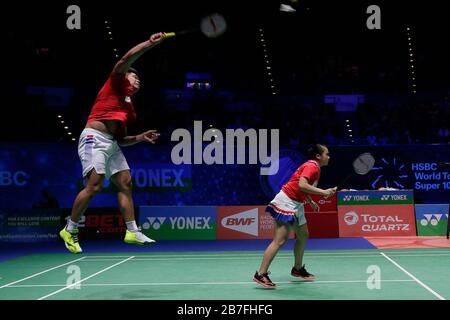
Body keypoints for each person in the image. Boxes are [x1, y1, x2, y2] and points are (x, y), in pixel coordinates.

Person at [59, 32, 168, 253]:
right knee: (95, 186)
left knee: (126, 182)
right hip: (93, 138)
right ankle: (69, 228)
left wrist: (140, 137)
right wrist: (149, 43)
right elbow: (124, 60)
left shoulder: (129, 109)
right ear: (124, 76)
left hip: (110, 143)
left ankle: (131, 230)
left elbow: (120, 139)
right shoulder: (114, 83)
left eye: (139, 79)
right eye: (134, 76)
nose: (137, 80)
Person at [253, 144, 337, 288]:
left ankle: (297, 269)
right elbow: (302, 185)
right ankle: (261, 274)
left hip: (297, 203)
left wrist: (310, 201)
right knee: (280, 240)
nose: (329, 157)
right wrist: (324, 192)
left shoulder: (314, 167)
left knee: (303, 235)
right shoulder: (312, 166)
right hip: (286, 202)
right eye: (327, 154)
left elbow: (300, 186)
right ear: (318, 156)